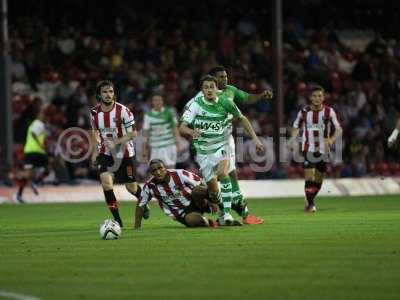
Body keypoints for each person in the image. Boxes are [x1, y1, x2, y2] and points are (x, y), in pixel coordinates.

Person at [184, 65, 272, 224]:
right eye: (220, 77)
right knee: (217, 185)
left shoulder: (230, 92)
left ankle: (240, 213)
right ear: (212, 80)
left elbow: (246, 99)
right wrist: (194, 129)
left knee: (230, 175)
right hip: (206, 145)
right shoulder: (198, 99)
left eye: (225, 76)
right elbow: (187, 115)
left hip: (225, 141)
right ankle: (219, 204)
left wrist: (260, 95)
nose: (224, 79)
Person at [90, 80, 146, 227]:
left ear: (114, 94)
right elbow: (95, 132)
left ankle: (143, 200)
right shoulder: (94, 112)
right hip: (106, 153)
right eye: (105, 92)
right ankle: (118, 220)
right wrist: (95, 150)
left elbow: (133, 133)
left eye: (111, 91)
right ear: (99, 94)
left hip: (125, 153)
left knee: (131, 187)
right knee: (106, 183)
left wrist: (115, 142)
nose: (108, 94)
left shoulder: (124, 111)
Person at [288, 85, 342, 212]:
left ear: (323, 97)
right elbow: (296, 126)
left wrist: (331, 140)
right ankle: (311, 205)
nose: (317, 98)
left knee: (318, 179)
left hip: (323, 150)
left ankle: (309, 198)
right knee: (309, 176)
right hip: (308, 147)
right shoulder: (304, 112)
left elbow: (339, 129)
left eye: (319, 96)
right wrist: (292, 139)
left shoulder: (329, 111)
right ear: (310, 97)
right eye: (314, 96)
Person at [134, 159, 218, 229]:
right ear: (151, 173)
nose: (158, 172)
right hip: (181, 212)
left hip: (196, 201)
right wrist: (137, 226)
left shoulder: (180, 173)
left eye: (160, 168)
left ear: (165, 168)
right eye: (154, 171)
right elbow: (141, 204)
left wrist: (211, 200)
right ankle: (209, 222)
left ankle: (224, 213)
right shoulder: (149, 186)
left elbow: (201, 183)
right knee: (192, 220)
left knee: (197, 190)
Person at [15, 105, 50, 203]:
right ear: (38, 115)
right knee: (48, 168)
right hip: (37, 151)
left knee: (28, 175)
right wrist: (41, 145)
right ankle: (35, 182)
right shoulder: (39, 124)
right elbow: (34, 134)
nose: (44, 116)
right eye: (43, 114)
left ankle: (19, 195)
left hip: (29, 151)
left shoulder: (34, 124)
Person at [142, 93, 181, 168]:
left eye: (159, 100)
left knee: (171, 171)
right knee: (156, 171)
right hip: (155, 147)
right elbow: (146, 133)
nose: (157, 102)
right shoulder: (148, 115)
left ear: (163, 101)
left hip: (170, 146)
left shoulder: (170, 112)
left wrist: (178, 144)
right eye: (155, 100)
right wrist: (144, 149)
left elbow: (175, 129)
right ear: (152, 102)